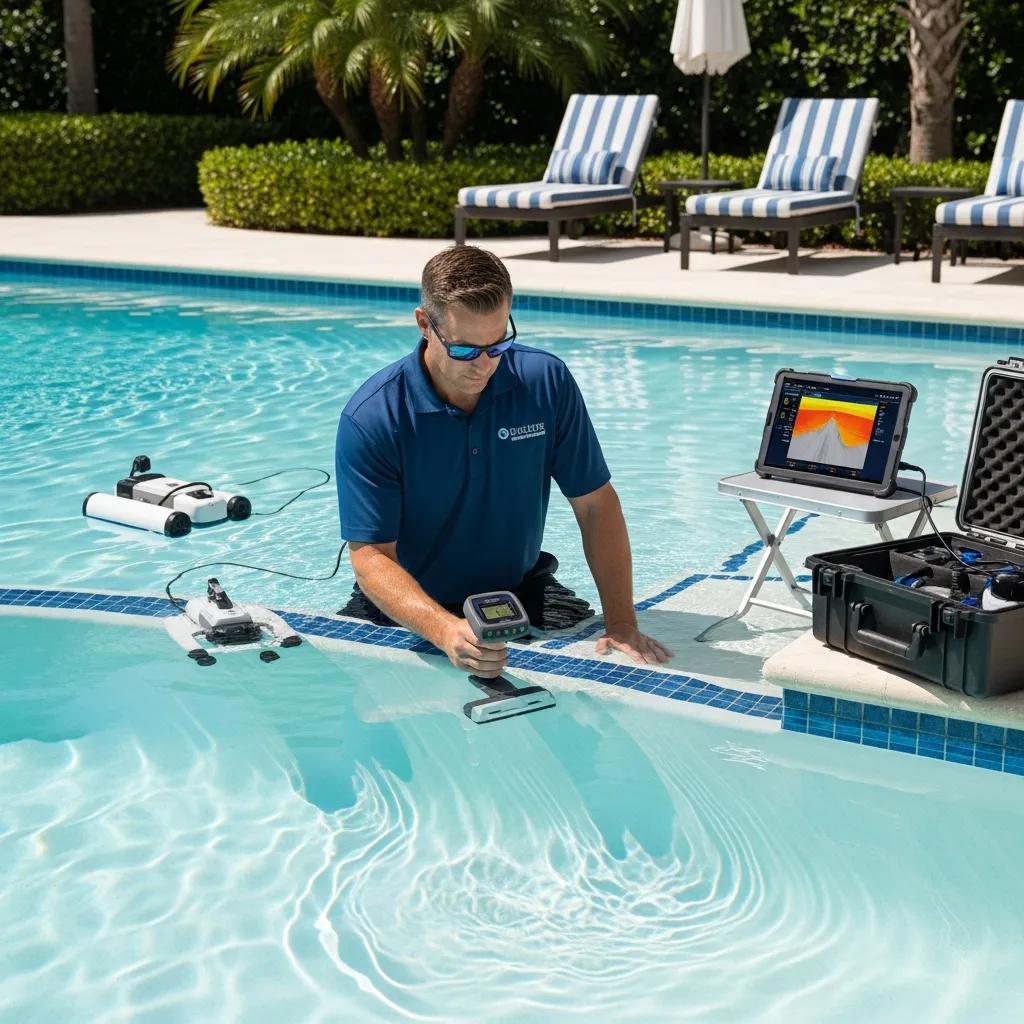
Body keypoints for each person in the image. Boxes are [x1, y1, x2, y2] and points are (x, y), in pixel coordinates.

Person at [335, 245, 671, 678]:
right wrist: (444, 630)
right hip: (414, 602)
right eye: (464, 351)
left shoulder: (545, 382)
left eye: (497, 344)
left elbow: (595, 504)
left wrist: (622, 623)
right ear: (424, 324)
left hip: (519, 591)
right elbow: (371, 557)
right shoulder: (374, 417)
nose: (484, 365)